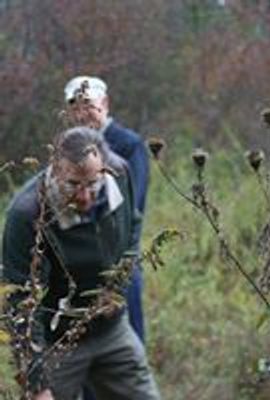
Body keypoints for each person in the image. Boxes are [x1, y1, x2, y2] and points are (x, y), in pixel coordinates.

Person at [2, 127, 161, 400]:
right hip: (56, 346)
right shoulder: (27, 213)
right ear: (55, 169)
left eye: (93, 184)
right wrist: (37, 383)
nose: (85, 197)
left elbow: (133, 224)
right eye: (73, 185)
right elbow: (19, 304)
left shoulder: (120, 174)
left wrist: (121, 279)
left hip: (112, 331)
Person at [64, 76, 148, 342]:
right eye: (75, 105)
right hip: (79, 266)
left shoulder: (128, 145)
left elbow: (130, 202)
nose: (82, 112)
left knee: (127, 346)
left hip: (119, 261)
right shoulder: (67, 148)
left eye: (88, 104)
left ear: (105, 103)